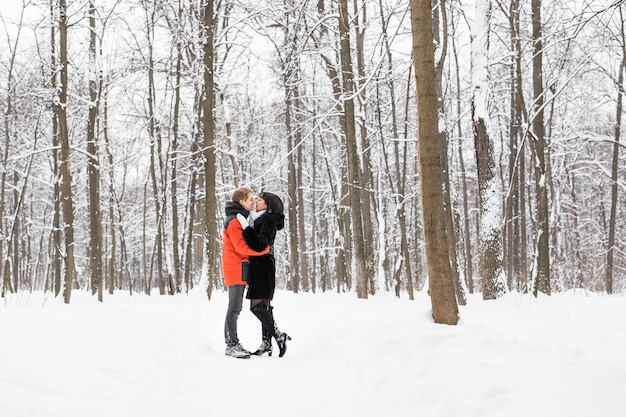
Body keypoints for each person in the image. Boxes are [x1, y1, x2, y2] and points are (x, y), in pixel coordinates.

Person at [236, 191, 291, 357]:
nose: (256, 201)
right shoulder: (264, 218)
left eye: (259, 200)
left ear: (267, 205)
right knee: (264, 307)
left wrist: (246, 228)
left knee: (256, 307)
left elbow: (260, 245)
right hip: (263, 264)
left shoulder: (267, 220)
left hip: (262, 266)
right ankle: (266, 344)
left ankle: (279, 336)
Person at [221, 187, 270, 359]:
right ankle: (231, 344)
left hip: (239, 267)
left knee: (235, 307)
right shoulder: (235, 221)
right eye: (250, 199)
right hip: (236, 267)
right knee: (234, 307)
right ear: (241, 201)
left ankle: (232, 342)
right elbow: (241, 247)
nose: (253, 201)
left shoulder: (239, 218)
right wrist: (263, 251)